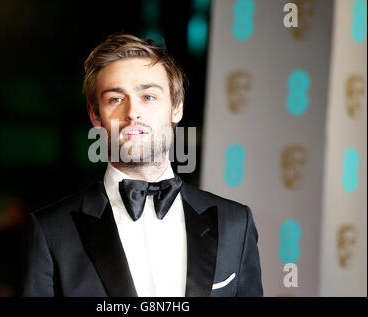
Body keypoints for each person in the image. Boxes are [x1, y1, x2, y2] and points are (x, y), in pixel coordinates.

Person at [22, 33, 263, 297]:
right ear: (95, 115)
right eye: (115, 99)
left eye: (148, 97)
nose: (132, 112)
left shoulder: (235, 223)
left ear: (177, 108)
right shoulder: (52, 231)